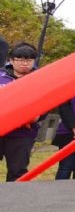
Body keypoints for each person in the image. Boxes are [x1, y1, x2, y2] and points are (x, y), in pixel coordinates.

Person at [0, 43, 46, 181]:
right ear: (12, 60)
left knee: (17, 171)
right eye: (20, 60)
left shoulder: (41, 79)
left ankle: (15, 201)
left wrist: (38, 116)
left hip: (22, 133)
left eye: (28, 60)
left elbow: (47, 102)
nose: (24, 63)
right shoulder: (1, 76)